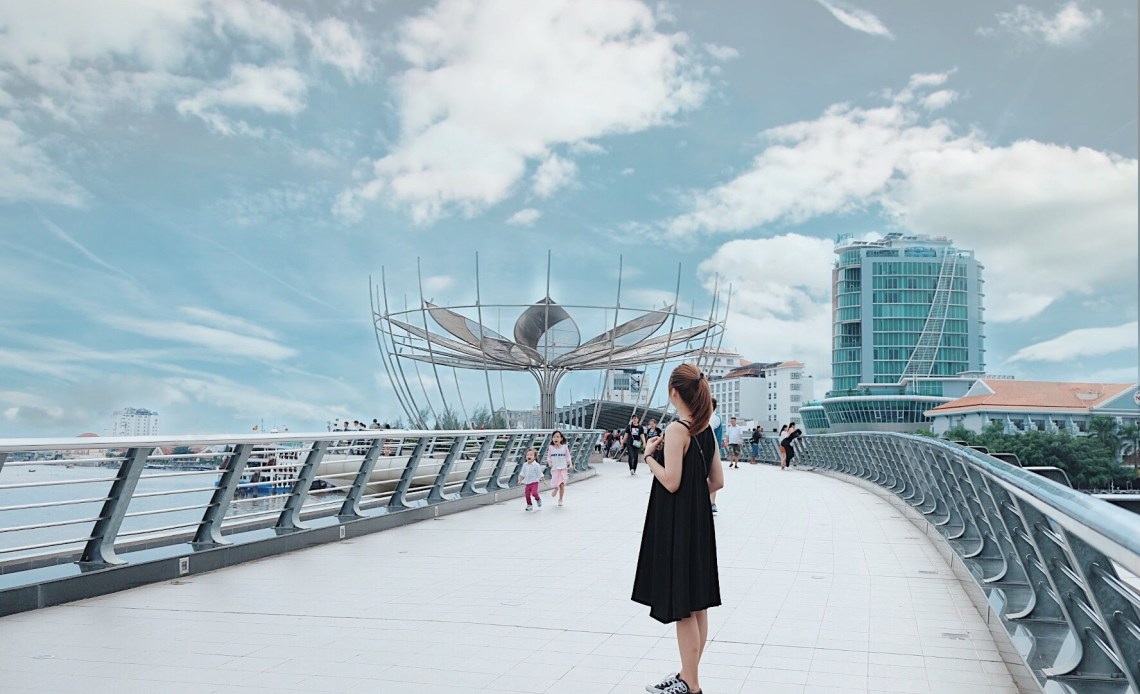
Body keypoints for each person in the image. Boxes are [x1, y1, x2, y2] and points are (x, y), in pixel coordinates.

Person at [633, 364, 723, 694]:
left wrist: (648, 458)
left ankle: (691, 683)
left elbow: (671, 482)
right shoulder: (706, 429)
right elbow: (718, 481)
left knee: (683, 605)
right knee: (697, 603)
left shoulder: (676, 431)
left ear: (674, 392)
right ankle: (689, 672)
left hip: (678, 525)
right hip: (700, 524)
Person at [546, 430, 572, 506]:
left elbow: (568, 457)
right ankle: (555, 488)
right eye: (554, 437)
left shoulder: (565, 447)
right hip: (555, 468)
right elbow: (548, 457)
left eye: (557, 437)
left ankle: (560, 499)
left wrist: (570, 464)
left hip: (563, 468)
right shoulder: (551, 448)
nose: (555, 438)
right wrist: (550, 463)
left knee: (562, 484)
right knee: (555, 483)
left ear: (561, 438)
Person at [708, 400, 722, 513]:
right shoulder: (712, 418)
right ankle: (711, 501)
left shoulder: (714, 418)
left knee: (712, 476)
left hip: (711, 450)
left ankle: (712, 502)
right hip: (711, 450)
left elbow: (707, 429)